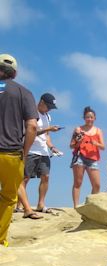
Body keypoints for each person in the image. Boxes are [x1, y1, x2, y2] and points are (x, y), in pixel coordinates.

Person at [0, 53, 38, 247]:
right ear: (14, 73)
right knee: (8, 198)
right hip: (11, 153)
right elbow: (32, 126)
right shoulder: (23, 92)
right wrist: (25, 150)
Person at [16, 93, 62, 218]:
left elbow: (46, 137)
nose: (50, 109)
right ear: (41, 102)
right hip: (30, 149)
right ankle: (19, 205)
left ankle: (41, 204)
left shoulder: (48, 116)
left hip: (43, 151)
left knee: (45, 176)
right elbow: (29, 132)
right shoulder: (31, 113)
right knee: (25, 178)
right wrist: (48, 129)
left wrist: (52, 147)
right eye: (49, 106)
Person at [70, 106, 105, 208]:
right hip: (80, 156)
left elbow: (103, 147)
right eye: (87, 117)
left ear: (94, 118)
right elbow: (71, 145)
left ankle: (90, 205)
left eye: (91, 117)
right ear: (84, 118)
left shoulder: (98, 130)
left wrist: (96, 143)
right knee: (78, 182)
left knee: (97, 185)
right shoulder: (78, 129)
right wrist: (78, 141)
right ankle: (76, 206)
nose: (89, 119)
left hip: (92, 159)